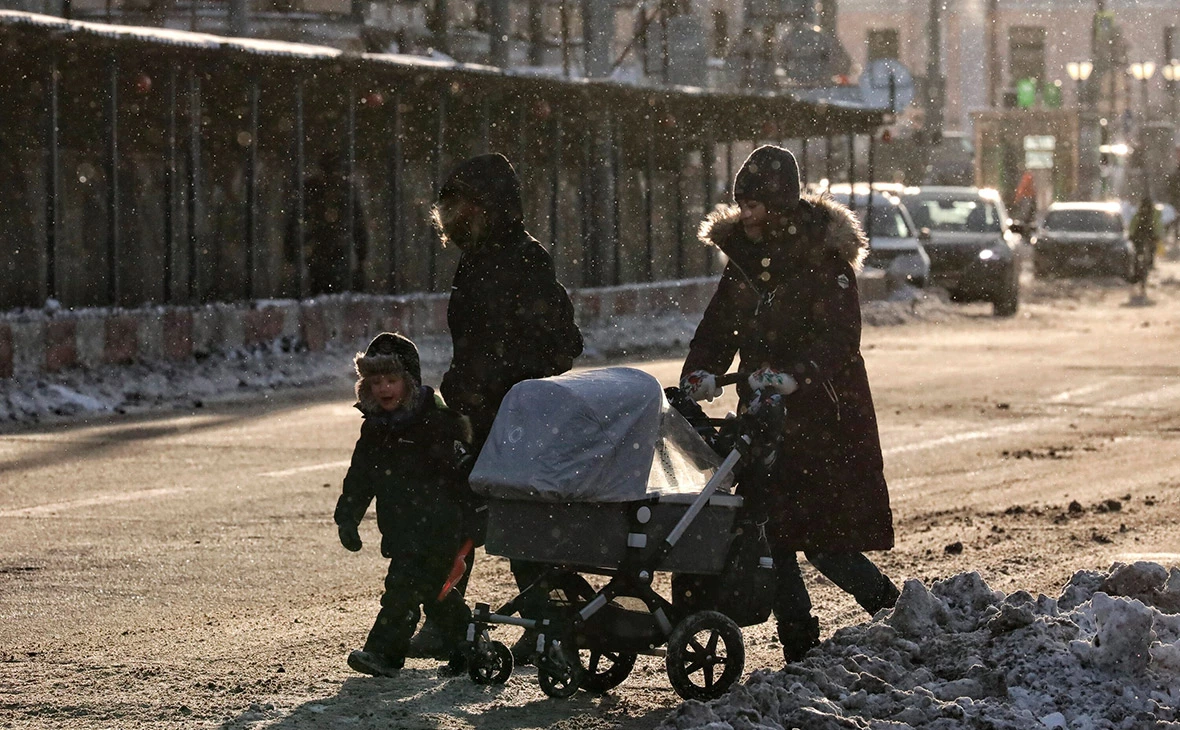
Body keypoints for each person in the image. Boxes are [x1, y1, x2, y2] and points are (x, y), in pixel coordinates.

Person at [679, 145, 900, 664]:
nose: (745, 213)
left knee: (825, 542)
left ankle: (893, 611)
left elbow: (840, 337)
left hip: (823, 417)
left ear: (779, 205)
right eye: (741, 203)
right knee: (770, 532)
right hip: (762, 419)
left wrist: (794, 376)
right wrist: (700, 372)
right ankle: (799, 644)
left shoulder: (824, 260)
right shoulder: (744, 263)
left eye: (754, 204)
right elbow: (718, 328)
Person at [409, 153, 584, 663]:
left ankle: (550, 623)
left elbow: (560, 341)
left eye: (457, 206)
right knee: (456, 514)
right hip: (478, 410)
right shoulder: (478, 258)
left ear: (483, 206)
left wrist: (503, 379)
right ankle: (447, 621)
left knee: (519, 523)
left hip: (516, 415)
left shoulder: (523, 259)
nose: (448, 220)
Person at [334, 332, 476, 677]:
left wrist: (469, 524)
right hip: (401, 528)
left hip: (439, 528)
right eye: (376, 381)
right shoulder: (376, 430)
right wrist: (348, 518)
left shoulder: (438, 423)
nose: (384, 389)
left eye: (392, 380)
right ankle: (472, 646)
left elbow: (462, 477)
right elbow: (360, 477)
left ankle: (384, 654)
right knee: (436, 594)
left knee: (401, 592)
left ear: (409, 381)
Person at [1130, 193, 1158, 296]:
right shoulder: (1152, 214)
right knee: (1145, 258)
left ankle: (1138, 273)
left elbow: (1133, 226)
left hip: (1141, 238)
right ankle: (1144, 269)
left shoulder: (1140, 213)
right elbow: (1157, 226)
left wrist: (1131, 235)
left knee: (1139, 258)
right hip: (1145, 238)